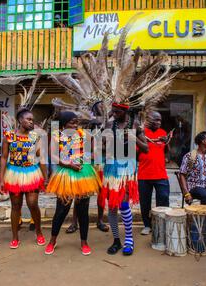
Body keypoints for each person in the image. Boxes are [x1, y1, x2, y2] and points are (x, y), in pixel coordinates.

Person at [45, 111, 101, 255]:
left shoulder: (84, 134)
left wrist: (93, 152)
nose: (75, 125)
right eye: (72, 122)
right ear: (64, 124)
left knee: (83, 211)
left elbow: (94, 150)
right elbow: (53, 155)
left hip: (83, 174)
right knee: (61, 210)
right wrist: (69, 164)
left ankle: (84, 242)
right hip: (66, 174)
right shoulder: (57, 136)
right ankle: (52, 240)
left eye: (77, 122)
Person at [101, 103, 148, 255]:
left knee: (123, 203)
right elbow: (100, 146)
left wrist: (133, 138)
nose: (113, 113)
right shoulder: (109, 124)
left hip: (127, 167)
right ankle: (116, 240)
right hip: (111, 167)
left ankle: (129, 239)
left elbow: (146, 148)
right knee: (113, 205)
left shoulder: (135, 125)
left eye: (117, 111)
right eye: (113, 111)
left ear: (125, 110)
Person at [0, 108, 47, 249]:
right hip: (14, 173)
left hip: (32, 172)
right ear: (20, 120)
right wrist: (1, 179)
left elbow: (41, 157)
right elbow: (3, 158)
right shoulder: (9, 136)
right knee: (15, 206)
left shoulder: (35, 137)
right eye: (29, 119)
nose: (32, 122)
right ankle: (15, 237)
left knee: (33, 204)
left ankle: (38, 232)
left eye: (33, 120)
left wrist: (46, 177)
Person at [66, 101, 109, 234]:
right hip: (86, 162)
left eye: (104, 106)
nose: (102, 108)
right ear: (94, 109)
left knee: (101, 193)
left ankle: (100, 220)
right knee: (80, 193)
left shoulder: (108, 124)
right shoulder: (86, 124)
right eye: (100, 106)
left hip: (102, 162)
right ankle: (74, 222)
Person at [137, 110, 171, 235]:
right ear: (148, 119)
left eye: (160, 120)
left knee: (163, 200)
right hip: (144, 174)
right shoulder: (141, 133)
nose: (159, 122)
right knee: (145, 202)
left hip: (161, 174)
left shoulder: (162, 132)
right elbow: (136, 154)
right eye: (156, 119)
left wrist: (167, 142)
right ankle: (147, 225)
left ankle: (160, 224)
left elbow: (167, 152)